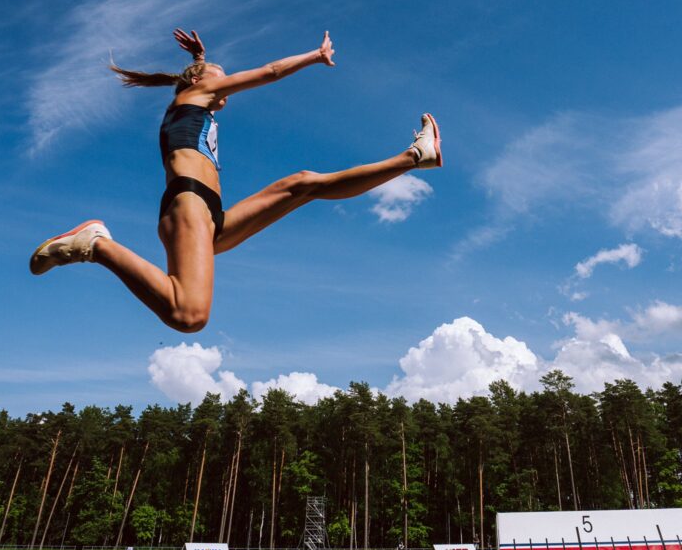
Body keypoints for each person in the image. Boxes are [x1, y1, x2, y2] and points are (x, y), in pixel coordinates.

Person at [30, 29, 441, 332]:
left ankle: (415, 157)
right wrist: (314, 56)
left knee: (303, 184)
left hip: (210, 216)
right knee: (189, 315)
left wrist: (205, 58)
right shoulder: (192, 96)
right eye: (218, 75)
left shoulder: (195, 102)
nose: (226, 82)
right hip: (188, 203)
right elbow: (269, 71)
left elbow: (203, 78)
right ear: (198, 81)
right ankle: (97, 244)